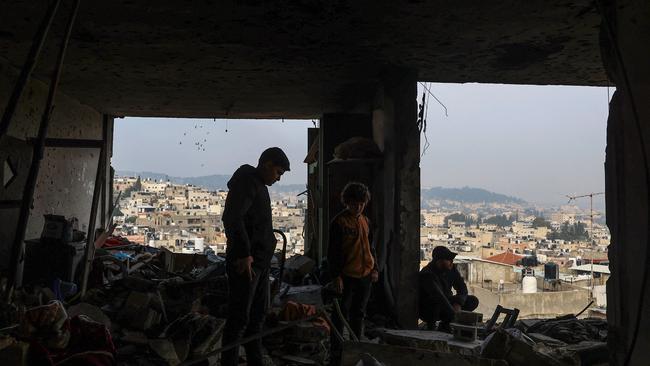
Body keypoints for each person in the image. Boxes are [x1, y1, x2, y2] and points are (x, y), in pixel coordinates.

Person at [221, 147, 290, 366]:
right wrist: (244, 254)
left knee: (256, 318)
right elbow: (232, 217)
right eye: (278, 172)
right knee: (239, 319)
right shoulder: (247, 182)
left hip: (259, 262)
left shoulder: (259, 185)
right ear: (267, 164)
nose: (278, 178)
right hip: (247, 263)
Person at [328, 182, 379, 363]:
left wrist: (375, 268)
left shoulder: (366, 221)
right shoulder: (339, 223)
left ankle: (356, 349)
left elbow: (371, 248)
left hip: (365, 276)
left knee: (359, 314)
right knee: (340, 315)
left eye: (361, 204)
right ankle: (337, 353)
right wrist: (336, 276)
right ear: (347, 202)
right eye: (354, 203)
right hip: (347, 276)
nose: (358, 207)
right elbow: (333, 253)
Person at [418, 246, 479, 331]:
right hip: (430, 307)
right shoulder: (427, 274)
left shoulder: (451, 269)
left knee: (473, 300)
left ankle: (445, 324)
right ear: (439, 261)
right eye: (449, 260)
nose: (451, 262)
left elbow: (462, 288)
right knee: (436, 306)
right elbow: (439, 297)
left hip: (447, 303)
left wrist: (458, 303)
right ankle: (432, 326)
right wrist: (453, 313)